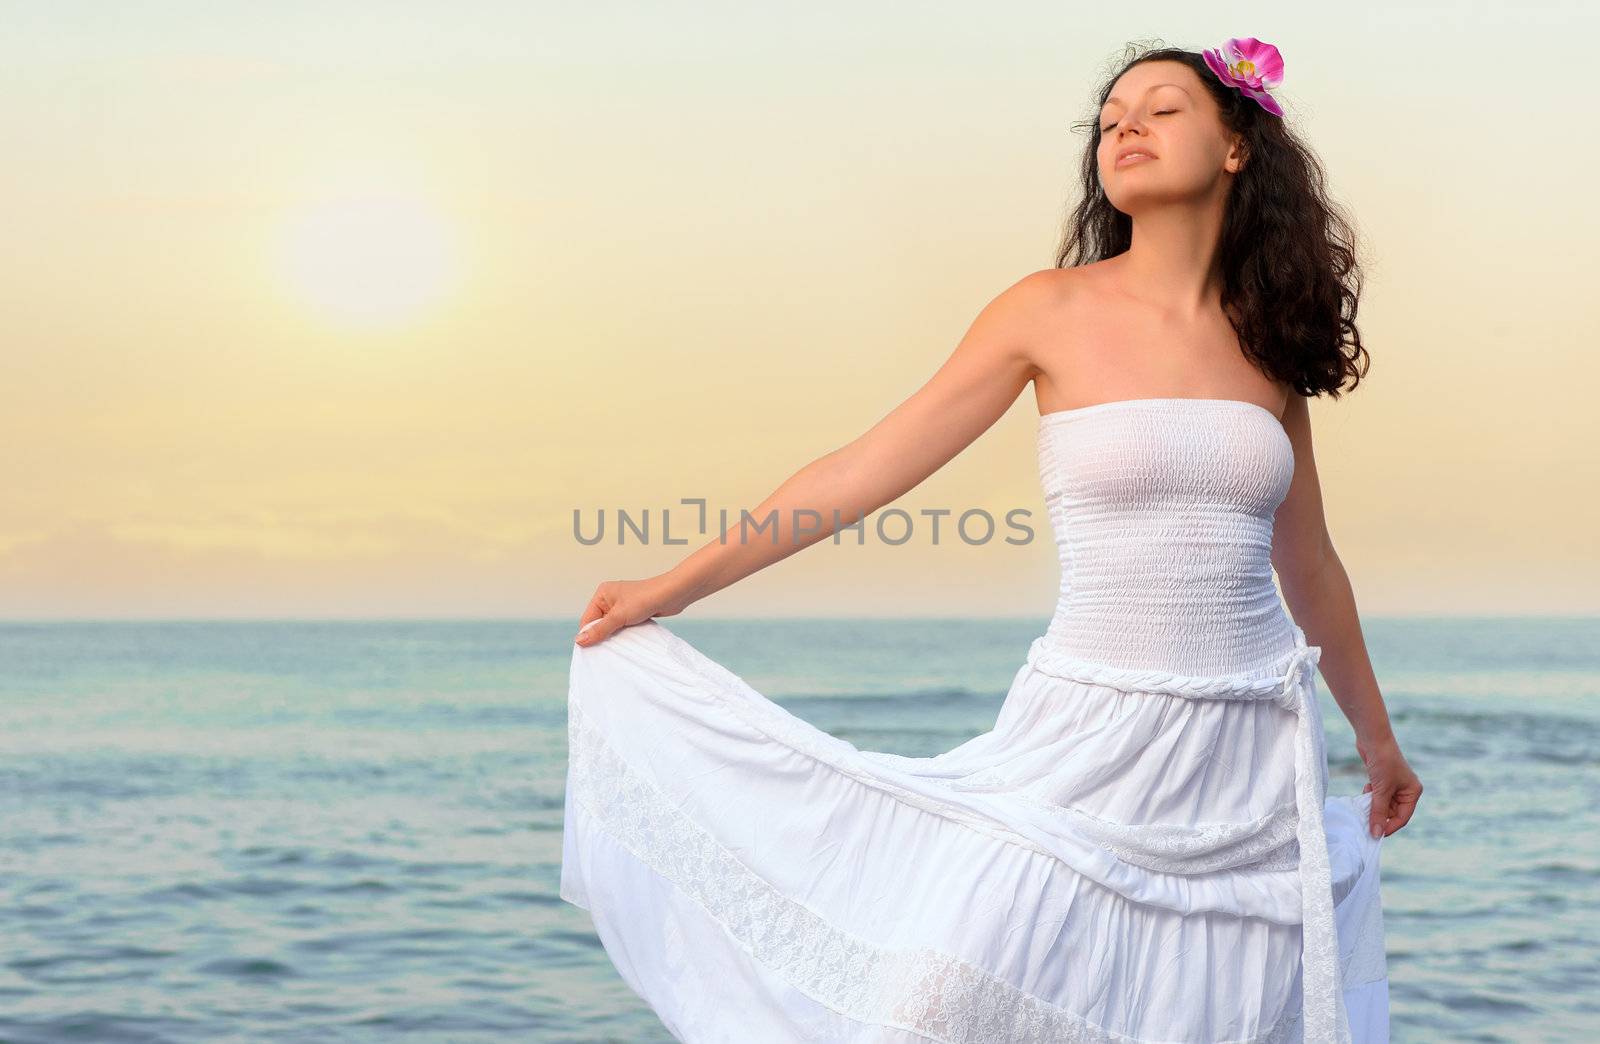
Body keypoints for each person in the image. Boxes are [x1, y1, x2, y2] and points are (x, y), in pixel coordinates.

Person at [560, 37, 1423, 1043]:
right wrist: (676, 583)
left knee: (1214, 1015)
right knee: (939, 1003)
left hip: (1247, 754)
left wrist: (1375, 737)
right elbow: (863, 470)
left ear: (1237, 148)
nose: (1125, 127)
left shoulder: (1265, 343)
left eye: (1160, 108)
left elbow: (1307, 562)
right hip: (1083, 732)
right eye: (1108, 121)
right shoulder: (1045, 311)